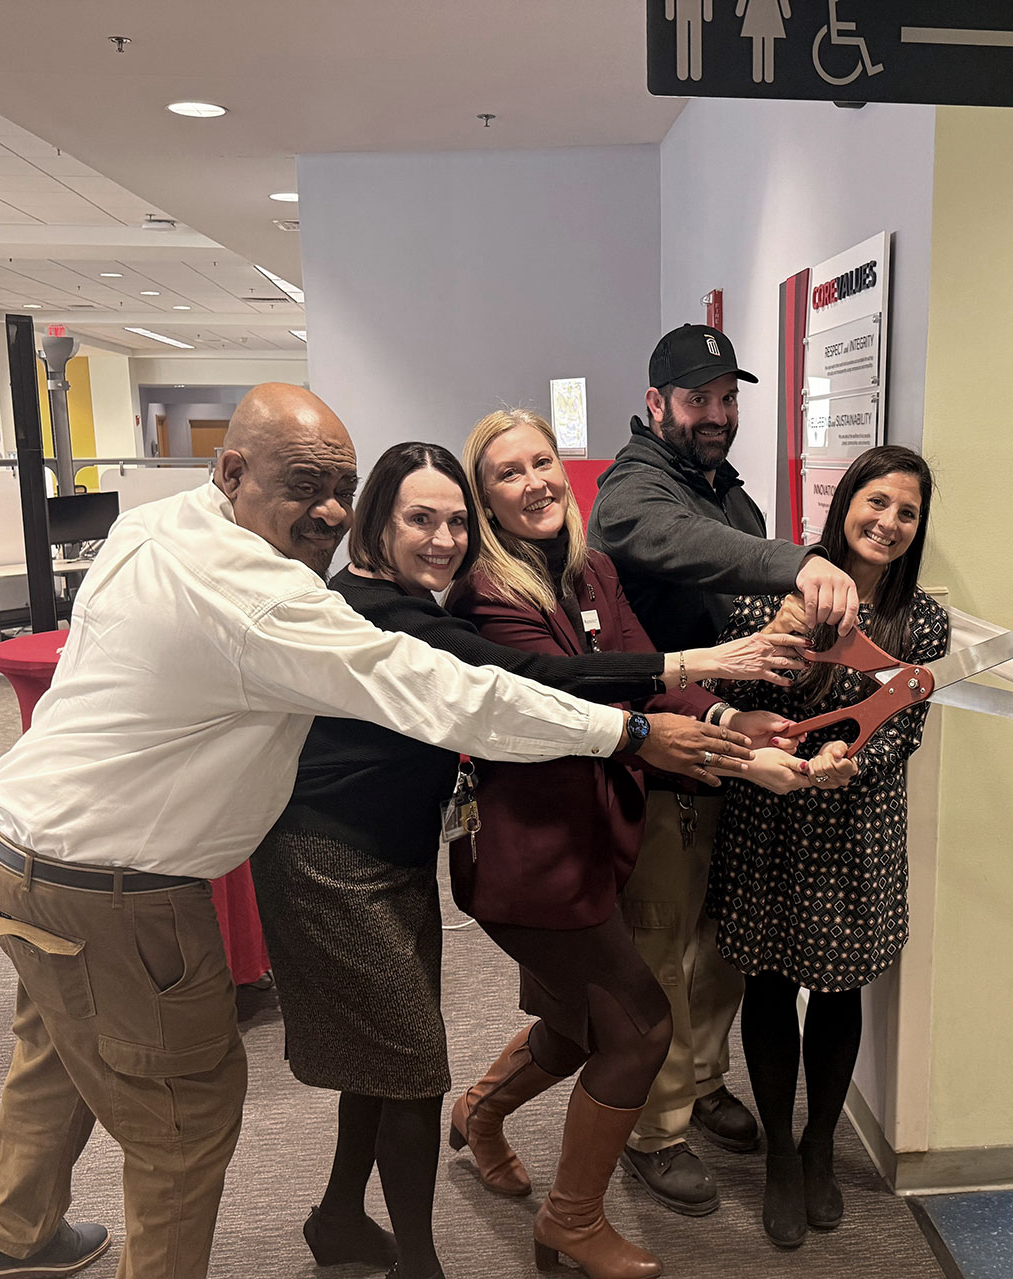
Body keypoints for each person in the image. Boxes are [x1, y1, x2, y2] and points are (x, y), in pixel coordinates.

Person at [0, 385, 755, 1279]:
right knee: (187, 1121)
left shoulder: (162, 521)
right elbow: (456, 693)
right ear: (232, 472)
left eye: (340, 483)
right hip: (119, 882)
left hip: (21, 840)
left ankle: (12, 1231)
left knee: (57, 1049)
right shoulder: (281, 605)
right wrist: (635, 730)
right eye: (304, 485)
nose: (327, 509)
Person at [251, 442, 803, 1279]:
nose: (442, 536)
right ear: (379, 521)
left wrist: (721, 716)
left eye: (451, 521)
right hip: (363, 858)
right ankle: (457, 1255)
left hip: (410, 851)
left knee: (399, 1058)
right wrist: (695, 688)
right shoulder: (414, 608)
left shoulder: (580, 574)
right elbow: (539, 679)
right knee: (429, 1064)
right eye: (422, 517)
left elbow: (618, 669)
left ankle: (345, 1212)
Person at [445, 409, 849, 1279]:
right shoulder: (487, 592)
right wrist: (713, 736)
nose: (535, 483)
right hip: (533, 855)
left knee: (573, 1022)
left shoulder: (590, 570)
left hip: (599, 836)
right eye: (508, 474)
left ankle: (478, 1110)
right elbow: (582, 699)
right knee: (637, 1027)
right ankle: (571, 1220)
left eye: (542, 461)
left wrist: (732, 720)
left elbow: (641, 664)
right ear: (484, 501)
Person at [586, 323, 861, 1215]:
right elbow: (679, 543)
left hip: (733, 749)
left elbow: (737, 578)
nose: (717, 415)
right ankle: (655, 1128)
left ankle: (701, 1083)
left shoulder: (725, 489)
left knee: (718, 949)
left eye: (728, 398)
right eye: (698, 399)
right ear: (657, 403)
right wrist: (801, 561)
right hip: (666, 753)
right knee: (661, 947)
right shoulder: (634, 487)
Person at [706, 445, 949, 1247]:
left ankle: (821, 1147)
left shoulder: (922, 621)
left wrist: (852, 764)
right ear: (845, 502)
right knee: (770, 988)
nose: (887, 522)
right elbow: (731, 694)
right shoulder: (768, 595)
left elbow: (904, 723)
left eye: (906, 512)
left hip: (858, 823)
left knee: (839, 992)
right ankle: (780, 1151)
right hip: (770, 817)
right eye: (875, 502)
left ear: (918, 529)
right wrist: (778, 730)